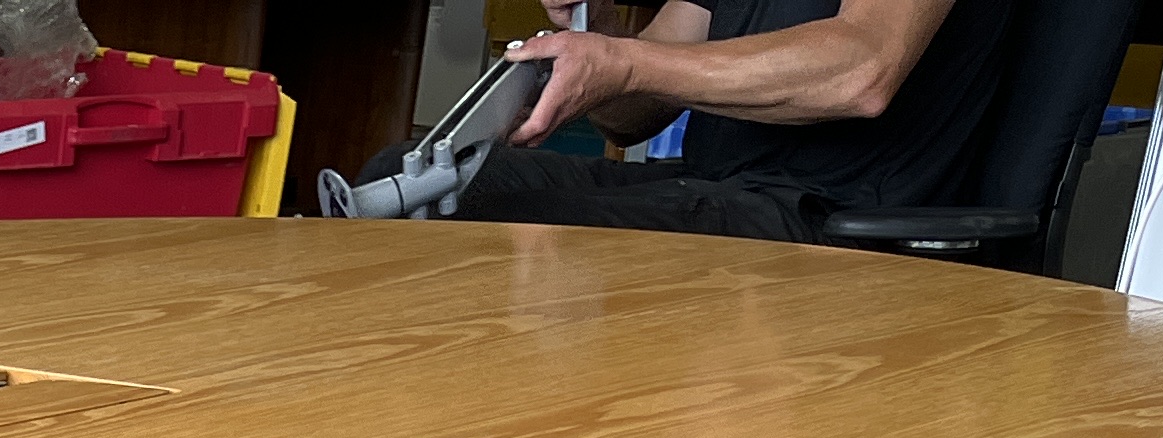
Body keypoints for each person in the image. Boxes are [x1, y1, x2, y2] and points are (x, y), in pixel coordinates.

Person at [358, 0, 1020, 239]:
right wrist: (595, 36)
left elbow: (863, 71)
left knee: (479, 228)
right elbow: (631, 117)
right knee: (409, 184)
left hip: (835, 213)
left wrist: (623, 62)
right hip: (716, 187)